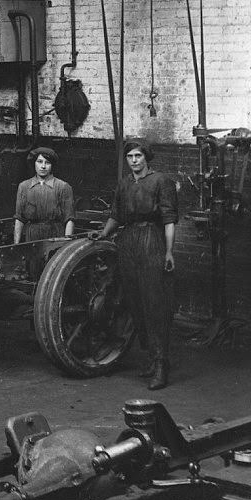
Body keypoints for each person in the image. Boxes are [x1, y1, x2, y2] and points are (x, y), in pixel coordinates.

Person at [89, 139, 178, 390]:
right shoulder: (124, 184)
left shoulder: (162, 182)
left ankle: (162, 364)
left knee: (154, 303)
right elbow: (116, 215)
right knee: (135, 302)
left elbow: (170, 219)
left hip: (152, 240)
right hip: (127, 242)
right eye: (130, 157)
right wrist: (104, 234)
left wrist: (169, 251)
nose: (134, 160)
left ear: (146, 157)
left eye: (138, 155)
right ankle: (151, 358)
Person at [13, 147, 75, 244]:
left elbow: (69, 219)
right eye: (39, 161)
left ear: (52, 165)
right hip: (32, 237)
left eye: (47, 163)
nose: (43, 166)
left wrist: (65, 243)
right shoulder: (24, 186)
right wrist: (16, 245)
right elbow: (19, 219)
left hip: (55, 236)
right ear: (34, 163)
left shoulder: (63, 187)